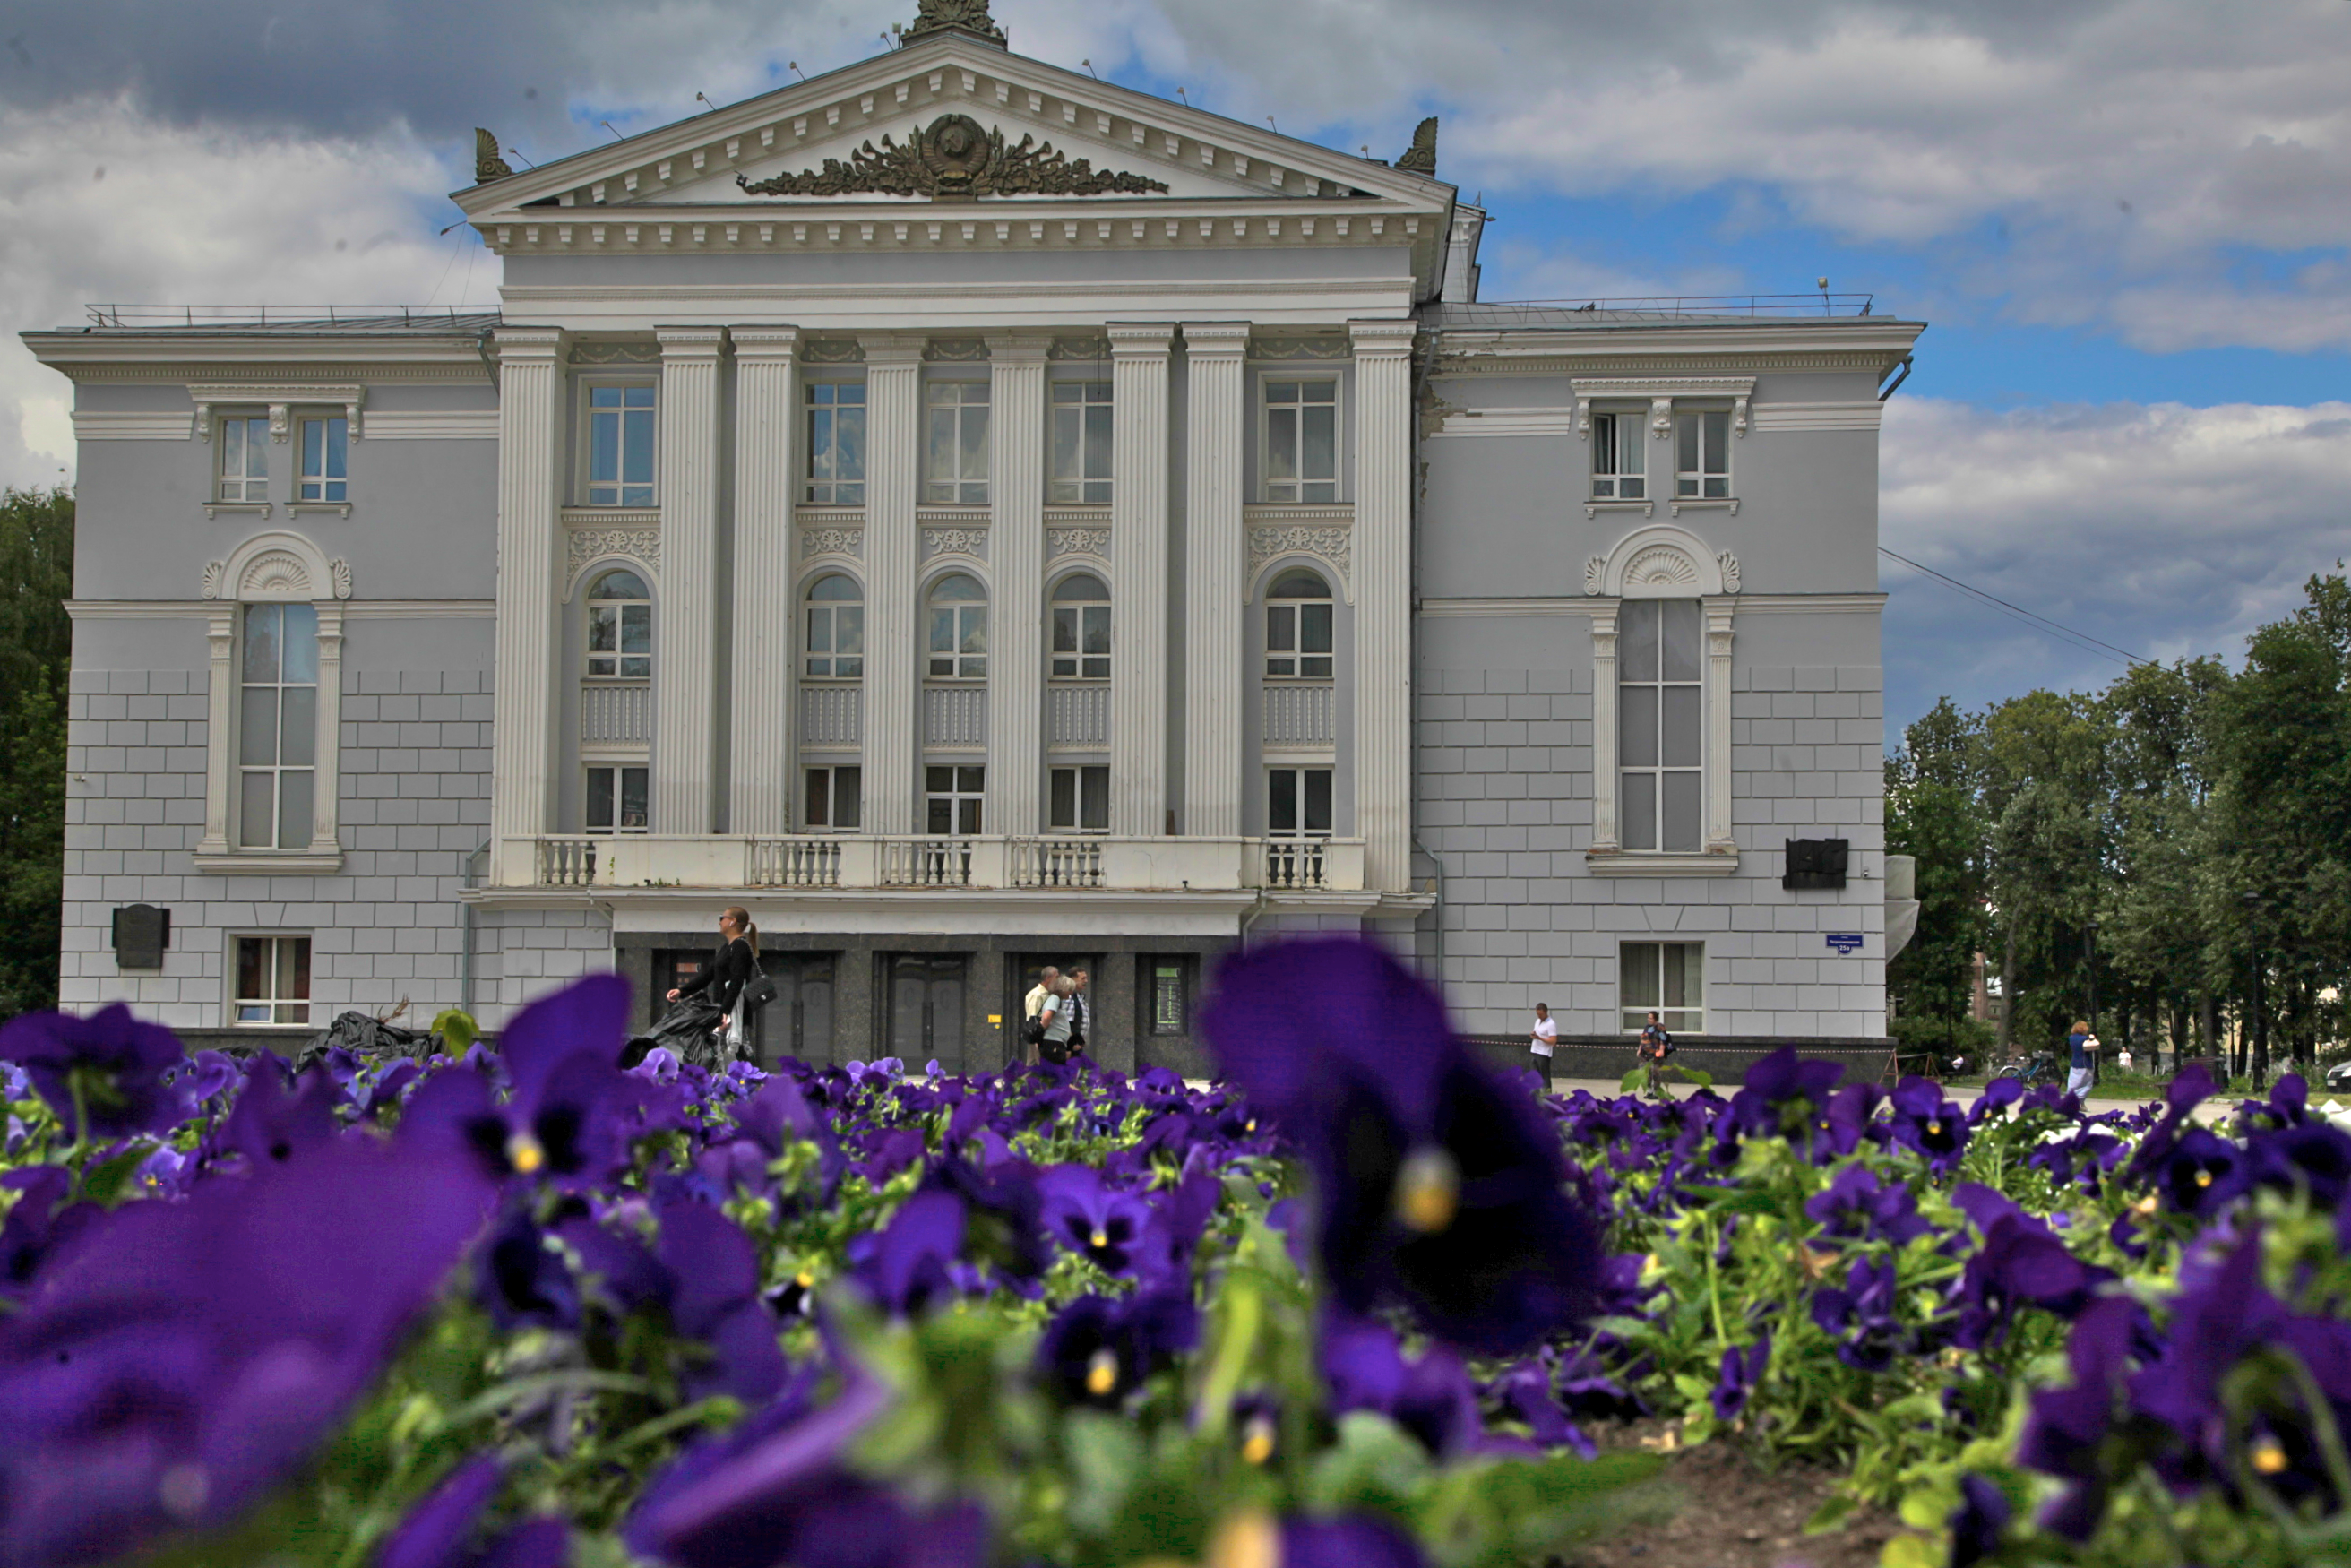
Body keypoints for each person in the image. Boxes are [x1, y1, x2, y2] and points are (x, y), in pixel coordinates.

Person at [668, 906, 759, 1059]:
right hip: (725, 1009)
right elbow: (709, 975)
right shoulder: (728, 947)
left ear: (732, 922)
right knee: (725, 1052)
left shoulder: (740, 947)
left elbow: (737, 981)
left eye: (722, 918)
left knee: (735, 1052)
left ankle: (750, 1080)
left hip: (733, 1011)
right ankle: (738, 1080)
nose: (719, 922)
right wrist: (682, 991)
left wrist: (725, 1011)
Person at [1020, 966, 1059, 1066]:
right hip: (1038, 1036)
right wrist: (1038, 1038)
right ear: (1048, 978)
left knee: (1032, 1066)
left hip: (1040, 1035)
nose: (1058, 980)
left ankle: (1023, 1082)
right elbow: (1033, 1019)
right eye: (1057, 977)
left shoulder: (1047, 994)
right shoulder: (1037, 995)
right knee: (1042, 1067)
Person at [1038, 975, 1077, 1066]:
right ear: (1063, 989)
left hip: (1057, 1042)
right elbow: (1047, 1017)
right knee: (1055, 1074)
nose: (1071, 992)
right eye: (1070, 989)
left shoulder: (1057, 1000)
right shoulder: (1054, 999)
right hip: (1053, 1043)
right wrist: (1040, 1032)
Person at [1637, 1011, 1674, 1098]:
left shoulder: (1660, 1027)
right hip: (1646, 1054)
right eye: (1648, 1017)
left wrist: (1661, 1050)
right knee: (1645, 1072)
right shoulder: (1647, 1027)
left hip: (1656, 1055)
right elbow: (1643, 1039)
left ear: (1655, 1019)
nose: (1648, 1019)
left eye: (1650, 1018)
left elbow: (1663, 1039)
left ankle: (1656, 1092)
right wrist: (1639, 1049)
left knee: (1655, 1072)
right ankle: (1649, 1091)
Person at [2065, 1020, 2097, 1099]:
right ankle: (2078, 1100)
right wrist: (2092, 1038)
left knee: (2073, 1084)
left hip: (2074, 1063)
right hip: (2085, 1063)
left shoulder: (2071, 1038)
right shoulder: (2085, 1039)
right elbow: (2096, 1045)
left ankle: (2070, 1099)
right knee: (2087, 1085)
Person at [1064, 968, 1091, 1056]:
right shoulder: (1067, 997)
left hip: (1076, 1043)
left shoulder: (1078, 996)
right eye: (1083, 978)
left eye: (1086, 978)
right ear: (1073, 979)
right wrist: (1071, 1044)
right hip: (1070, 1045)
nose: (1086, 981)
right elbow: (1068, 1023)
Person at [1529, 1002, 1558, 1076]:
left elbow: (1553, 1041)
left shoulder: (1551, 1024)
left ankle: (1546, 1088)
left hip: (1544, 1053)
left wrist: (1540, 1038)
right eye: (1538, 1014)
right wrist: (1533, 1035)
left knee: (1544, 1075)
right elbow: (1537, 1032)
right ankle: (1536, 1088)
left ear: (1546, 1012)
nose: (1539, 1016)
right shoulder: (1537, 1021)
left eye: (1541, 1014)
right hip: (1535, 1050)